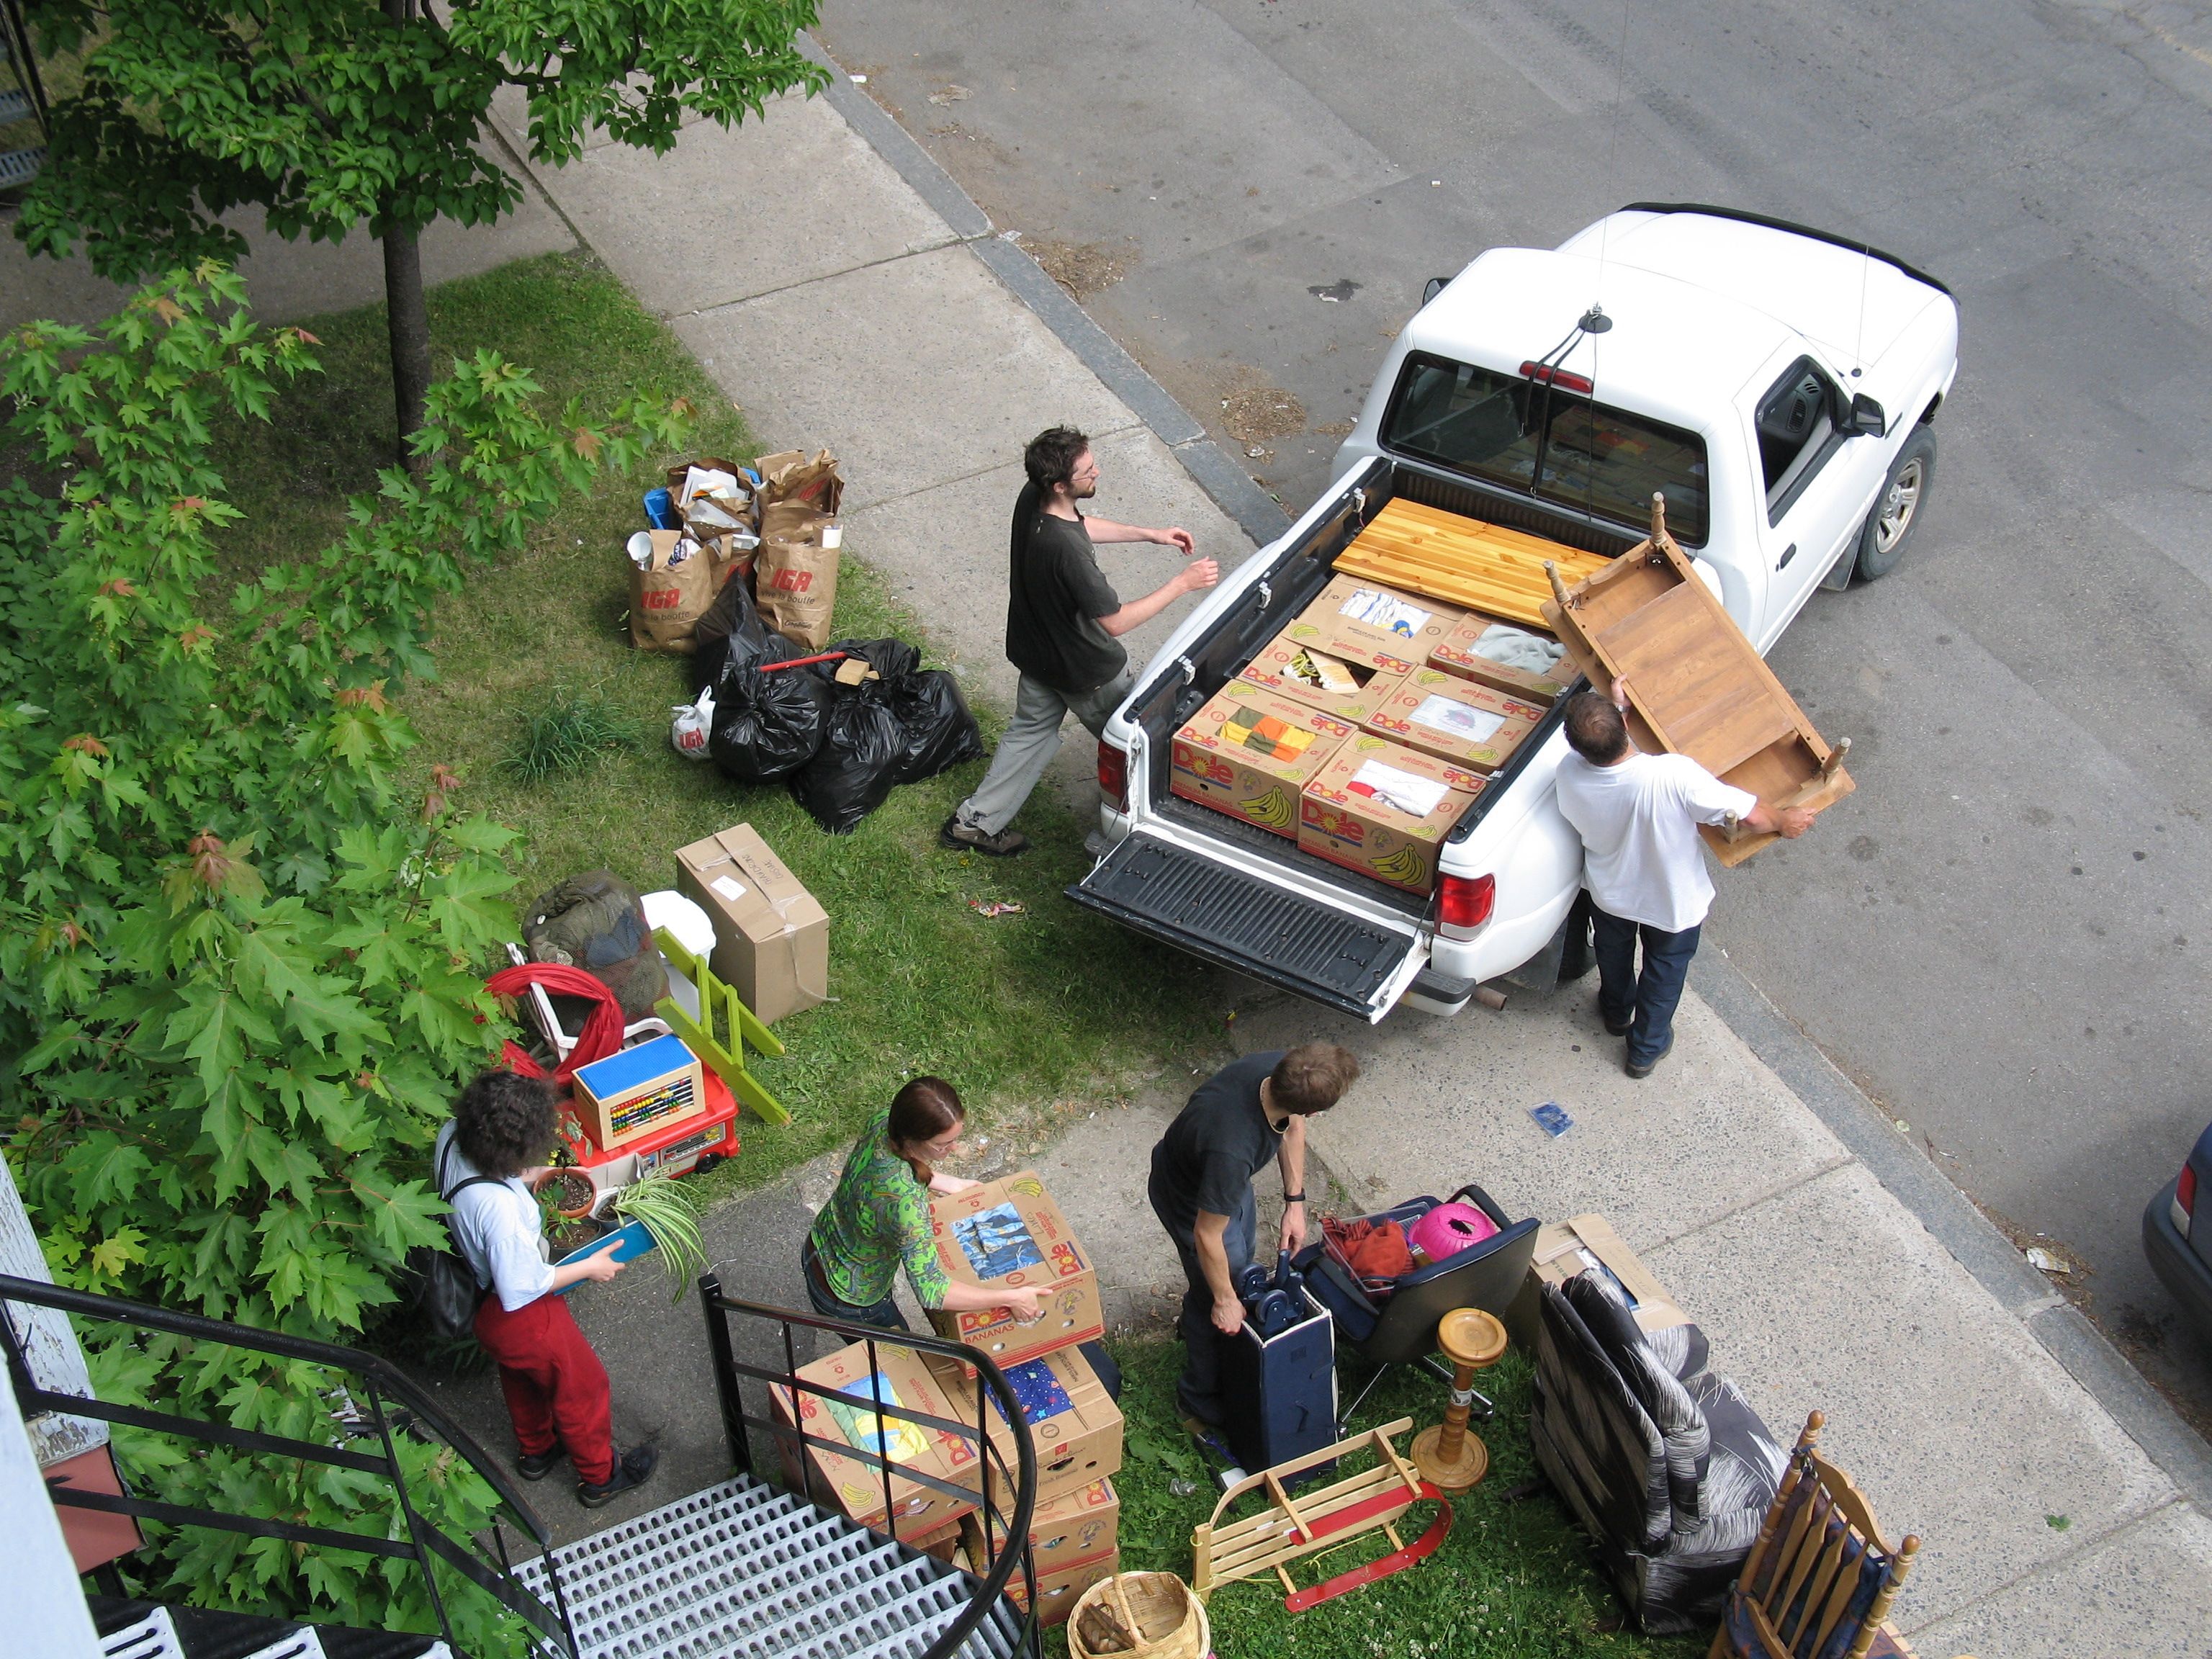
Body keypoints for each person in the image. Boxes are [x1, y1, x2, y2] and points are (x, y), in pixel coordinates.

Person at [941, 426, 1218, 857]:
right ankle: (1142, 837)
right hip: (1088, 675)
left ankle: (974, 822)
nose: (1097, 473)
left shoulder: (1034, 499)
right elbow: (1115, 622)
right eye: (1088, 471)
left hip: (1037, 656)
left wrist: (1150, 533)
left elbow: (1080, 526)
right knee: (1139, 751)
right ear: (1060, 484)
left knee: (1028, 734)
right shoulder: (1068, 553)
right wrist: (1183, 583)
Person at [1553, 680, 1815, 1079]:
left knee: (1614, 954)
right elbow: (1753, 816)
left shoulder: (1569, 773)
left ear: (1576, 747)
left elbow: (1602, 748)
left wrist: (1616, 713)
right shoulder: (1672, 776)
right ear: (1625, 731)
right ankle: (1644, 1050)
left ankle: (1616, 1014)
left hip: (1610, 892)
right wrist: (1786, 820)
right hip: (1671, 901)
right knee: (1665, 970)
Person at [804, 1077, 1123, 1395]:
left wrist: (946, 1182)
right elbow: (933, 1292)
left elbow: (890, 1173)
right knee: (904, 1370)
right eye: (943, 1145)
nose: (954, 1149)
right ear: (914, 1137)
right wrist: (1011, 1297)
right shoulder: (907, 1210)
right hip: (852, 1297)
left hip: (821, 1243)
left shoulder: (884, 1123)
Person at [435, 1071, 657, 1508]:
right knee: (582, 1386)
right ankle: (600, 1478)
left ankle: (536, 1451)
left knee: (521, 1375)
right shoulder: (497, 1211)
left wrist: (526, 1172)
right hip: (519, 1313)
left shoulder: (452, 1135)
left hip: (482, 1298)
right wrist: (590, 1268)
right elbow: (524, 1286)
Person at [1147, 1043, 1360, 1428]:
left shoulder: (1281, 1072)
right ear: (1313, 1108)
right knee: (1218, 1290)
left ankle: (1207, 1311)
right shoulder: (1231, 1149)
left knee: (1237, 1266)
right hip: (1189, 1198)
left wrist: (1294, 1203)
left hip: (1220, 1183)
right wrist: (1225, 1300)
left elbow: (1292, 1124)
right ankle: (1195, 1399)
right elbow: (1207, 1235)